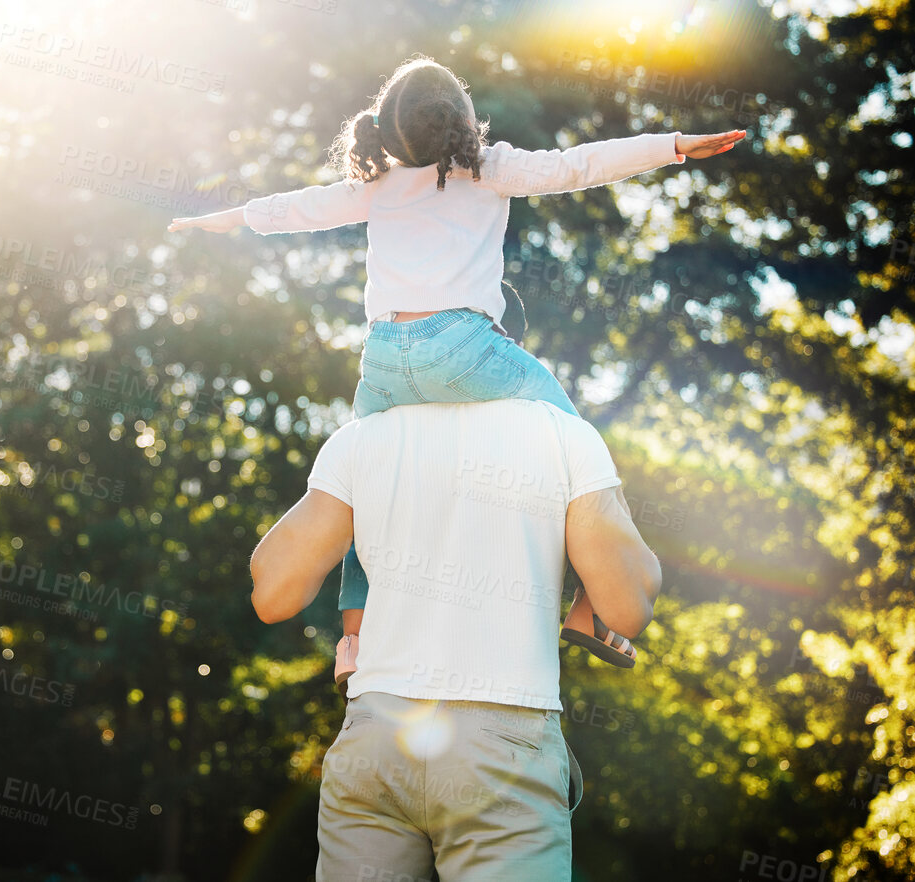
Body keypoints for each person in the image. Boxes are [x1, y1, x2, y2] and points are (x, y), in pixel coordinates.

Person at [170, 55, 741, 683]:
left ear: (388, 132)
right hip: (464, 347)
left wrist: (215, 219)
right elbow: (579, 164)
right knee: (574, 443)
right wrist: (674, 145)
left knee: (359, 496)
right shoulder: (488, 169)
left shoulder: (376, 184)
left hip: (384, 358)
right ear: (465, 122)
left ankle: (355, 640)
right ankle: (588, 606)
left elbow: (291, 209)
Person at [247, 396, 662, 878]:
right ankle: (585, 607)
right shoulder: (561, 430)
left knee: (380, 516)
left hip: (376, 728)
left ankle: (354, 643)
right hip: (503, 735)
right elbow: (629, 610)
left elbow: (271, 596)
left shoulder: (361, 435)